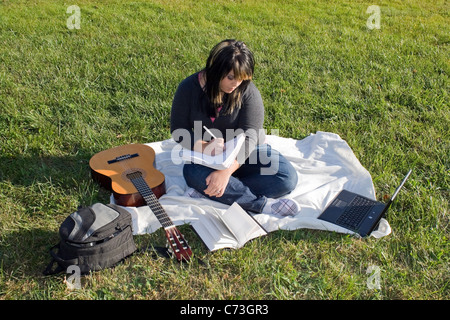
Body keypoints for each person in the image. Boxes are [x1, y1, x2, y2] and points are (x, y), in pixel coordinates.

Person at [170, 39, 299, 216]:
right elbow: (178, 130)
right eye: (231, 77)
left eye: (241, 78)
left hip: (245, 153)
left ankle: (214, 192)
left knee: (286, 179)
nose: (236, 84)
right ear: (216, 70)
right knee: (191, 172)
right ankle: (261, 205)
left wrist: (226, 172)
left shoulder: (248, 91)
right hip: (210, 156)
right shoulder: (188, 88)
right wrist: (205, 146)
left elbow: (250, 137)